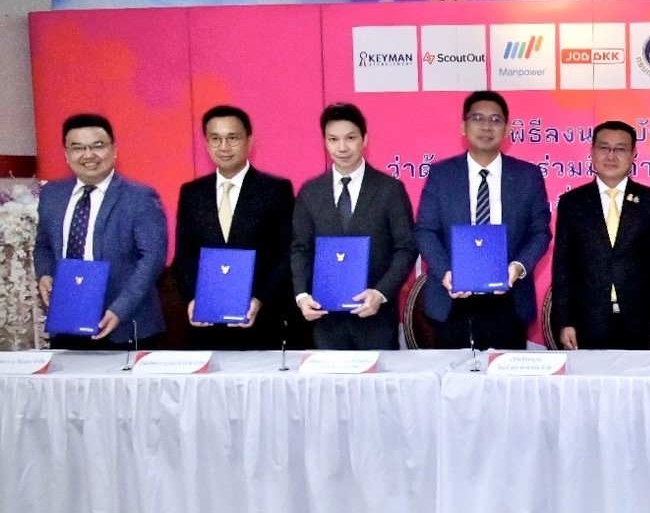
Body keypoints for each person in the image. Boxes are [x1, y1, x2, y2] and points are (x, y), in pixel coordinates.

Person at [414, 91, 551, 350]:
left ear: (507, 129)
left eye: (495, 120)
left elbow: (540, 232)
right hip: (452, 299)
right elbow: (425, 231)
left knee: (507, 375)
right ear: (463, 127)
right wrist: (446, 272)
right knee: (454, 375)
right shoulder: (441, 175)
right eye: (477, 118)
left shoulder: (528, 176)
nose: (486, 126)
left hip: (508, 301)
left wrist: (518, 267)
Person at [34, 113, 167, 348]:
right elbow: (43, 245)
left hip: (125, 325)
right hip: (68, 319)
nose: (88, 155)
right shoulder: (52, 195)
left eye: (97, 146)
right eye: (78, 148)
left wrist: (120, 309)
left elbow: (153, 259)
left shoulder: (140, 197)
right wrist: (44, 274)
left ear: (114, 150)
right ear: (66, 154)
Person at [291, 103, 416, 350]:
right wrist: (302, 295)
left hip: (376, 321)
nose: (342, 147)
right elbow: (300, 248)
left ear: (364, 139)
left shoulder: (390, 189)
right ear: (325, 142)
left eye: (350, 138)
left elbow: (406, 248)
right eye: (333, 139)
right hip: (326, 321)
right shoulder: (310, 192)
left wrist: (381, 293)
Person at [173, 105, 296, 350]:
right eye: (215, 139)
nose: (224, 147)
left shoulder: (276, 190)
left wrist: (260, 298)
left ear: (249, 141)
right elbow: (184, 256)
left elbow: (287, 253)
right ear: (206, 143)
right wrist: (193, 298)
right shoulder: (192, 193)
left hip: (261, 321)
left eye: (233, 138)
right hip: (206, 324)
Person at [550, 120, 650, 350]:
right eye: (604, 148)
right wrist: (565, 322)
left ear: (633, 154)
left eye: (620, 149)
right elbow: (563, 267)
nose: (611, 156)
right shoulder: (572, 203)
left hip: (641, 322)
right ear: (592, 152)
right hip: (587, 321)